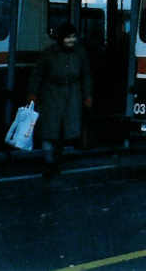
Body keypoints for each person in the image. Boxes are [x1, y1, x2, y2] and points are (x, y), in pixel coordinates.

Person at [27, 23, 93, 179]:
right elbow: (37, 75)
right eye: (68, 37)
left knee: (63, 133)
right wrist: (32, 94)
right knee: (49, 132)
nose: (71, 40)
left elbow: (86, 76)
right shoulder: (48, 54)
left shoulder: (80, 53)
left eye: (73, 37)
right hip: (51, 97)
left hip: (72, 97)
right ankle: (49, 163)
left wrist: (88, 95)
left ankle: (55, 162)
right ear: (61, 38)